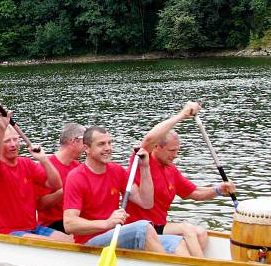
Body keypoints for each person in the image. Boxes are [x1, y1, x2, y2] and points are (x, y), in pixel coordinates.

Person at [127, 102, 236, 257]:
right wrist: (182, 115)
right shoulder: (142, 160)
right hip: (141, 227)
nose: (175, 155)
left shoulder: (171, 170)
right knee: (187, 229)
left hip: (160, 225)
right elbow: (149, 138)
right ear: (157, 147)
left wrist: (219, 189)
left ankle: (188, 262)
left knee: (201, 233)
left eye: (178, 150)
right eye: (172, 150)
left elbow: (195, 193)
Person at [63, 127, 184, 254]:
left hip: (115, 234)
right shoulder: (76, 177)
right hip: (90, 242)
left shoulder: (116, 171)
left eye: (109, 143)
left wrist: (145, 168)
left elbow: (146, 202)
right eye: (101, 144)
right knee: (143, 227)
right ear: (87, 148)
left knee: (177, 241)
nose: (108, 148)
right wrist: (106, 223)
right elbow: (70, 224)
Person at [0, 111, 72, 241]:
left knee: (70, 241)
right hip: (4, 232)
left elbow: (55, 185)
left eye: (15, 139)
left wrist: (43, 159)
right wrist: (2, 129)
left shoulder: (27, 163)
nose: (13, 144)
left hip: (32, 227)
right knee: (56, 244)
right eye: (7, 141)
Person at [37, 123, 85, 232]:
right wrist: (65, 189)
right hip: (52, 224)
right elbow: (40, 205)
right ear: (74, 141)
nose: (87, 145)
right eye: (85, 141)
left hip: (72, 220)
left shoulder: (77, 166)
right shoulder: (46, 166)